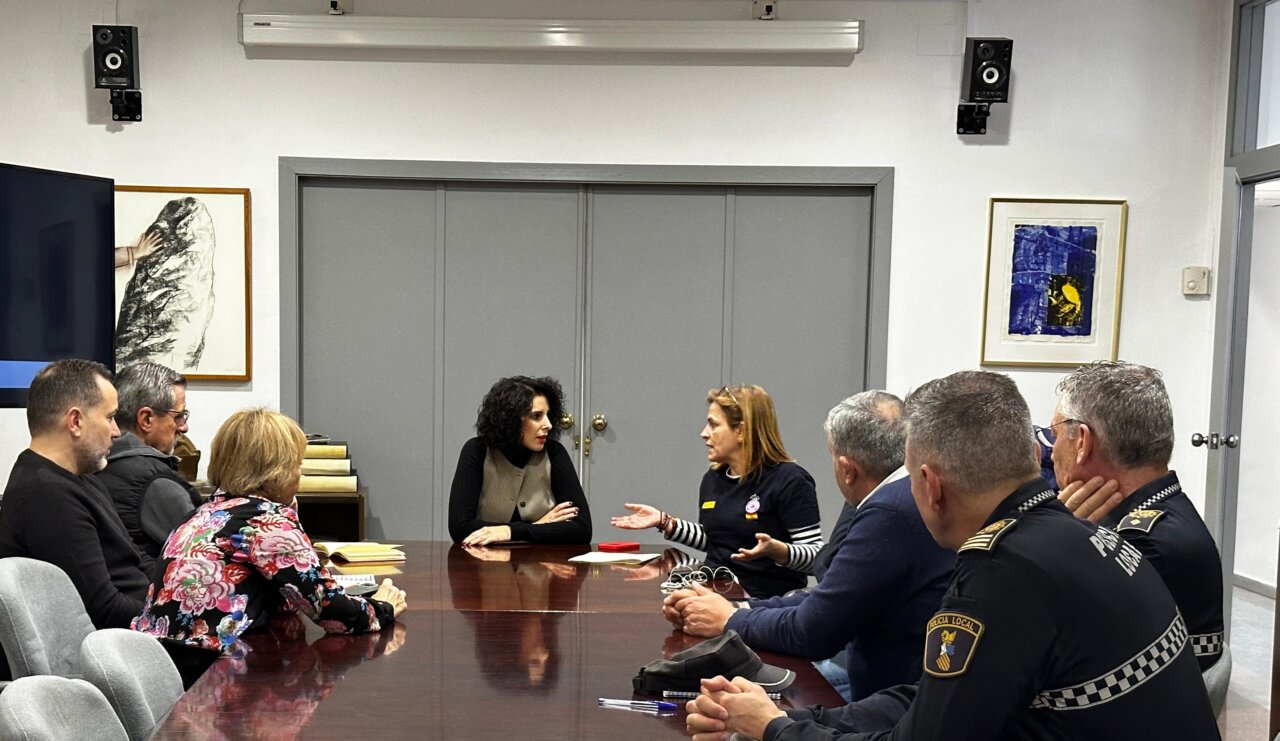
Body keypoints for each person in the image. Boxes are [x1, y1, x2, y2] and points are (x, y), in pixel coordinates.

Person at [685, 371, 1219, 741]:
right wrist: (801, 717)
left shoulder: (1003, 572)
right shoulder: (1065, 532)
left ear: (930, 487)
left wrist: (776, 730)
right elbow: (938, 696)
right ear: (1033, 456)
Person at [662, 391, 953, 702]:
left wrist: (729, 619)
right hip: (887, 685)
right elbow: (831, 595)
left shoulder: (887, 511)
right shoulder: (896, 496)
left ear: (847, 468)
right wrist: (733, 609)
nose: (705, 434)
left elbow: (814, 630)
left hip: (886, 700)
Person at [131, 408, 408, 689]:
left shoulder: (205, 513)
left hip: (163, 670)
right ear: (276, 472)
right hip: (207, 676)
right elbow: (332, 611)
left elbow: (286, 593)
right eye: (296, 464)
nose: (299, 474)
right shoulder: (265, 521)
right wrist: (383, 607)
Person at [1052, 361, 1225, 670]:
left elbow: (1046, 645)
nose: (1051, 452)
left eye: (1054, 435)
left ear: (1082, 442)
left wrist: (1046, 541)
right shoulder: (1158, 514)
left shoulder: (1139, 543)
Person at [612, 385, 824, 599]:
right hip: (716, 591)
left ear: (741, 431)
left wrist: (779, 551)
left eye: (713, 425)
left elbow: (817, 559)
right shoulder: (713, 479)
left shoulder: (790, 480)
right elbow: (718, 539)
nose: (704, 434)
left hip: (764, 604)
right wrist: (665, 522)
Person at [0, 359, 150, 629]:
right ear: (76, 421)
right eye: (109, 417)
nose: (117, 431)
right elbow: (101, 609)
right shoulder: (46, 495)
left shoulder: (82, 478)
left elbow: (135, 559)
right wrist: (176, 617)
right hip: (122, 648)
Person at [448, 376, 592, 546]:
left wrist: (510, 532)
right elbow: (460, 528)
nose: (548, 424)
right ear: (510, 420)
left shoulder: (554, 452)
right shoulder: (477, 451)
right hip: (486, 565)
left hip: (544, 567)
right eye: (536, 416)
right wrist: (540, 526)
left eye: (548, 415)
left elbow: (582, 530)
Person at [95, 362, 203, 562]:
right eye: (179, 416)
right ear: (146, 419)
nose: (184, 427)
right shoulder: (158, 484)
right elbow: (200, 560)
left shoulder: (87, 465)